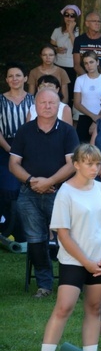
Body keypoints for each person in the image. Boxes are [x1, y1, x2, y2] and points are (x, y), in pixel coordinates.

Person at [37, 144, 101, 351]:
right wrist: (86, 261)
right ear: (77, 164)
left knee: (94, 307)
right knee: (64, 307)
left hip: (100, 261)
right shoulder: (65, 192)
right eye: (89, 163)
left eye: (96, 164)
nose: (94, 168)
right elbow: (62, 234)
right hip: (73, 260)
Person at [10, 88, 78, 298]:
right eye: (43, 103)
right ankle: (44, 285)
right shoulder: (25, 131)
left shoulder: (67, 131)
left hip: (61, 193)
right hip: (29, 193)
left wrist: (49, 181)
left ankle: (71, 283)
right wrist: (32, 182)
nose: (47, 106)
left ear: (58, 107)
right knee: (35, 240)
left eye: (52, 103)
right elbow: (13, 164)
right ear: (36, 105)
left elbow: (72, 164)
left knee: (66, 238)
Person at [1, 63, 35, 244]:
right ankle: (7, 230)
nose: (14, 79)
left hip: (29, 147)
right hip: (5, 146)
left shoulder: (34, 100)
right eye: (10, 76)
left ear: (25, 78)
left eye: (18, 75)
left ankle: (28, 231)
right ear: (6, 80)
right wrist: (9, 149)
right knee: (8, 188)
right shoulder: (0, 100)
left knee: (27, 187)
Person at [73, 50, 101, 144]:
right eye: (86, 63)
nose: (89, 66)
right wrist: (93, 116)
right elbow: (77, 103)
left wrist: (96, 120)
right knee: (83, 147)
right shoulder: (80, 80)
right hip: (84, 117)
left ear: (97, 62)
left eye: (91, 62)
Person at [72, 12, 101, 77]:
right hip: (84, 80)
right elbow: (76, 65)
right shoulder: (79, 40)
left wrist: (98, 78)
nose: (97, 23)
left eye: (99, 21)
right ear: (87, 23)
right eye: (94, 21)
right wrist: (87, 78)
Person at [50, 4, 80, 83]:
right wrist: (56, 50)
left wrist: (70, 31)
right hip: (57, 64)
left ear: (76, 18)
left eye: (72, 15)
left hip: (72, 66)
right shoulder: (57, 30)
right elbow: (51, 47)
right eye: (66, 15)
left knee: (70, 91)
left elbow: (77, 47)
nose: (69, 18)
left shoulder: (79, 31)